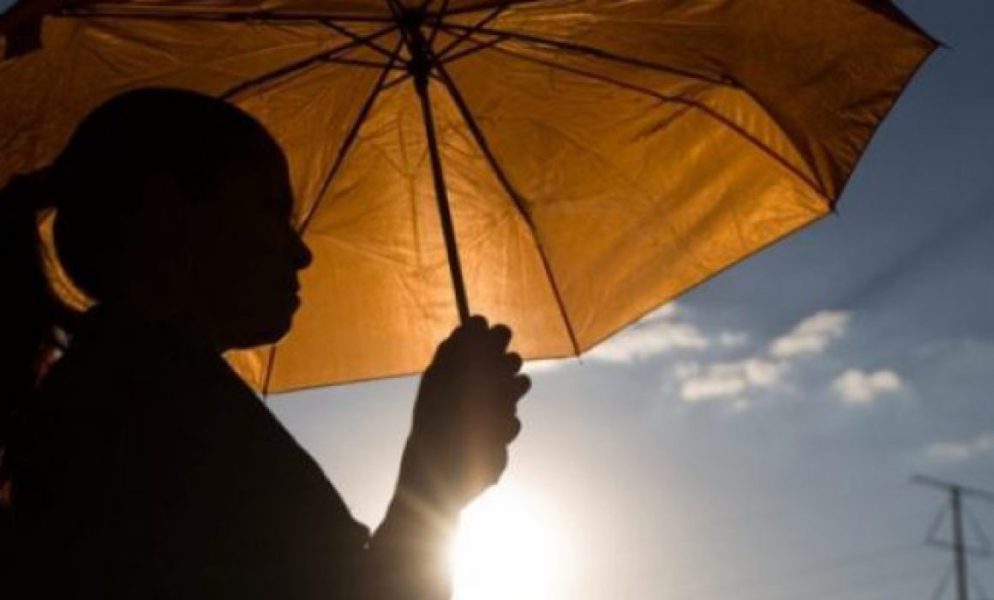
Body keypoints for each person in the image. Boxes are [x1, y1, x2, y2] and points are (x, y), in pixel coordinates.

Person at [0, 88, 529, 599]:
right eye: (272, 211)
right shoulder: (151, 408)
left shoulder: (119, 391)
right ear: (168, 213)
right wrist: (435, 479)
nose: (301, 253)